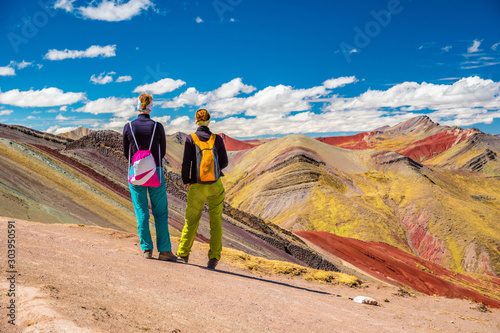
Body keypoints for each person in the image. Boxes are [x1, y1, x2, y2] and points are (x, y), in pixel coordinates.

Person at [122, 93, 177, 261]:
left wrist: (139, 164)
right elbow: (163, 151)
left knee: (141, 211)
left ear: (137, 106)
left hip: (135, 172)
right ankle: (165, 251)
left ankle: (146, 249)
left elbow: (126, 153)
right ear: (151, 106)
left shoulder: (128, 126)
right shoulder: (157, 126)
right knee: (160, 212)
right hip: (156, 172)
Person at [177, 109, 228, 269]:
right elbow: (225, 162)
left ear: (196, 121)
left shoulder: (190, 138)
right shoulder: (217, 139)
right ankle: (213, 258)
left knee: (191, 221)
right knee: (216, 221)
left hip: (197, 185)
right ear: (209, 121)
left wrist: (187, 180)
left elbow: (186, 163)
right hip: (215, 185)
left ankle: (183, 253)